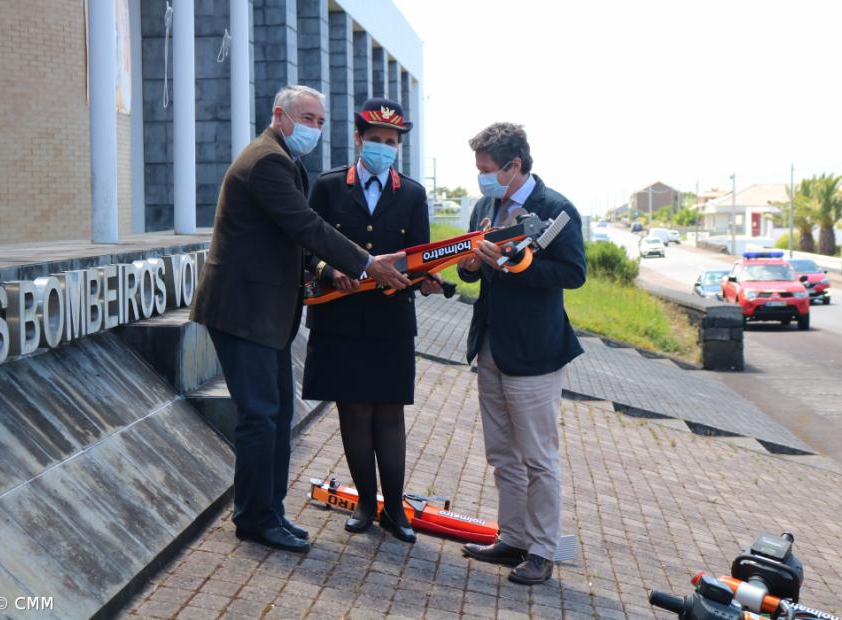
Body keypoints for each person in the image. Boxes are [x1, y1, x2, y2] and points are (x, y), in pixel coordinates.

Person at [188, 84, 411, 553]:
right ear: (280, 115)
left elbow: (297, 239)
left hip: (265, 313)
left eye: (320, 121)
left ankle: (269, 511)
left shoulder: (284, 159)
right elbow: (307, 227)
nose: (314, 127)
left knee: (277, 416)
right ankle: (254, 518)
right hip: (243, 310)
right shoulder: (266, 161)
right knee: (259, 418)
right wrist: (367, 263)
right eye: (307, 118)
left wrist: (331, 267)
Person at [301, 98, 441, 544]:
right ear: (358, 139)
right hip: (339, 315)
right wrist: (328, 270)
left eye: (391, 142)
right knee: (353, 410)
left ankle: (394, 509)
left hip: (390, 319)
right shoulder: (328, 186)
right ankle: (365, 501)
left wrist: (427, 280)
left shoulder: (412, 194)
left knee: (389, 411)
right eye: (376, 139)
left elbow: (420, 256)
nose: (384, 147)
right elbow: (305, 244)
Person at [456, 122, 586, 585]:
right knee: (501, 453)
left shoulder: (556, 210)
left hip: (534, 352)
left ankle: (542, 551)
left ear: (515, 166)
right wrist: (470, 266)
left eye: (488, 169)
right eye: (478, 169)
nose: (482, 178)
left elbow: (573, 273)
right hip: (490, 344)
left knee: (537, 457)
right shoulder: (484, 207)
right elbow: (472, 271)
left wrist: (517, 266)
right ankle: (511, 538)